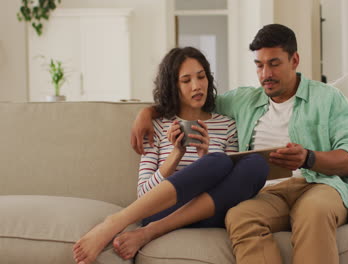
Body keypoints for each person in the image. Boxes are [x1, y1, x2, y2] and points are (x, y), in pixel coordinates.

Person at [131, 24, 348, 264]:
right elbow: (191, 100)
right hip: (267, 194)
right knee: (238, 216)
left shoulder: (328, 98)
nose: (266, 74)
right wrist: (147, 112)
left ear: (294, 60)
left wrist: (309, 158)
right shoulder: (243, 100)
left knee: (314, 212)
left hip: (318, 185)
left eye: (274, 63)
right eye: (259, 65)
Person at [72, 47, 268, 264]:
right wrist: (175, 155)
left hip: (210, 212)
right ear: (173, 86)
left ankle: (150, 232)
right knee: (219, 160)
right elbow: (143, 194)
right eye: (186, 80)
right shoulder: (156, 126)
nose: (197, 86)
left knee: (255, 164)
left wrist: (205, 155)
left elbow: (231, 187)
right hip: (161, 210)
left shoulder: (227, 125)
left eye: (201, 77)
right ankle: (115, 222)